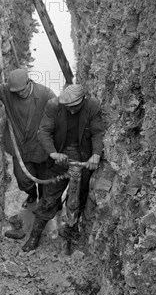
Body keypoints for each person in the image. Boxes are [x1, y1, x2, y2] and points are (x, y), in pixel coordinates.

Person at [22, 84, 104, 252]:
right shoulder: (54, 106)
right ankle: (34, 236)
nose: (71, 110)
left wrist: (95, 154)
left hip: (82, 161)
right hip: (60, 160)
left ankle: (70, 233)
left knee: (77, 201)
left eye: (74, 107)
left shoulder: (92, 106)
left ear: (83, 100)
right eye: (67, 107)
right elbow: (44, 131)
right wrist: (53, 154)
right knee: (48, 198)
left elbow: (97, 132)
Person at [0, 69, 55, 208]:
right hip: (20, 147)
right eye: (16, 92)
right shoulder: (8, 91)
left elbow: (59, 115)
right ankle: (32, 195)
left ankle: (43, 201)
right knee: (22, 179)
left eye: (22, 90)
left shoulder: (45, 94)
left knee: (44, 178)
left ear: (29, 83)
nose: (19, 94)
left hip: (41, 147)